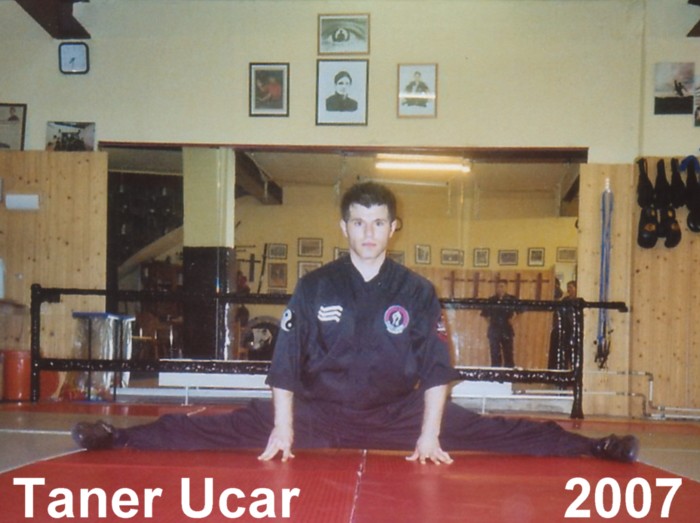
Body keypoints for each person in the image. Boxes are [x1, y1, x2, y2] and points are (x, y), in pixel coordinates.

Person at [72, 182, 638, 464]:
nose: (369, 232)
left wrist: (428, 433)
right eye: (359, 222)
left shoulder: (416, 291)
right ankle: (117, 437)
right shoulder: (315, 286)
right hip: (317, 413)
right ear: (344, 227)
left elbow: (436, 370)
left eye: (379, 223)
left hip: (397, 415)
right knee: (216, 429)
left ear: (393, 229)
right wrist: (284, 428)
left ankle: (597, 448)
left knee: (496, 432)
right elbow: (285, 363)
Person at [481, 279, 518, 367]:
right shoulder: (491, 300)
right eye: (498, 287)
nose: (500, 289)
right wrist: (490, 322)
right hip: (494, 330)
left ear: (506, 287)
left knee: (508, 354)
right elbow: (484, 314)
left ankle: (509, 373)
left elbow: (520, 312)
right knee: (495, 354)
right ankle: (495, 373)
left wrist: (513, 320)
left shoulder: (512, 299)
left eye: (502, 286)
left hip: (507, 329)